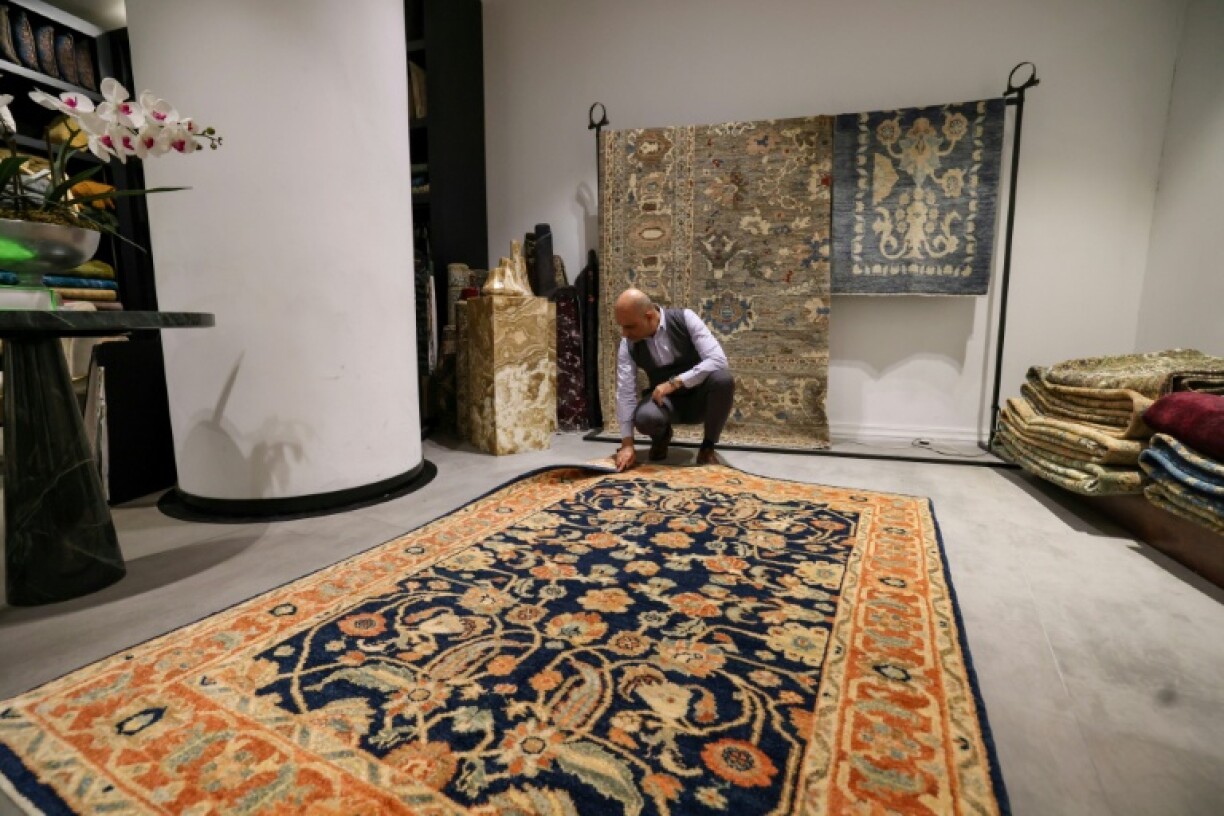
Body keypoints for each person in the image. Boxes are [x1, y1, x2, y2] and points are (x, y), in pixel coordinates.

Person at [612, 288, 734, 471]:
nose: (624, 333)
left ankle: (708, 447)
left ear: (650, 316)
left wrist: (675, 382)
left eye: (629, 326)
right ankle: (661, 438)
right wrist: (627, 444)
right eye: (621, 326)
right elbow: (625, 392)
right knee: (645, 417)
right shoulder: (628, 344)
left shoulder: (686, 318)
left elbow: (718, 359)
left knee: (723, 380)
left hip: (699, 399)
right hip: (665, 403)